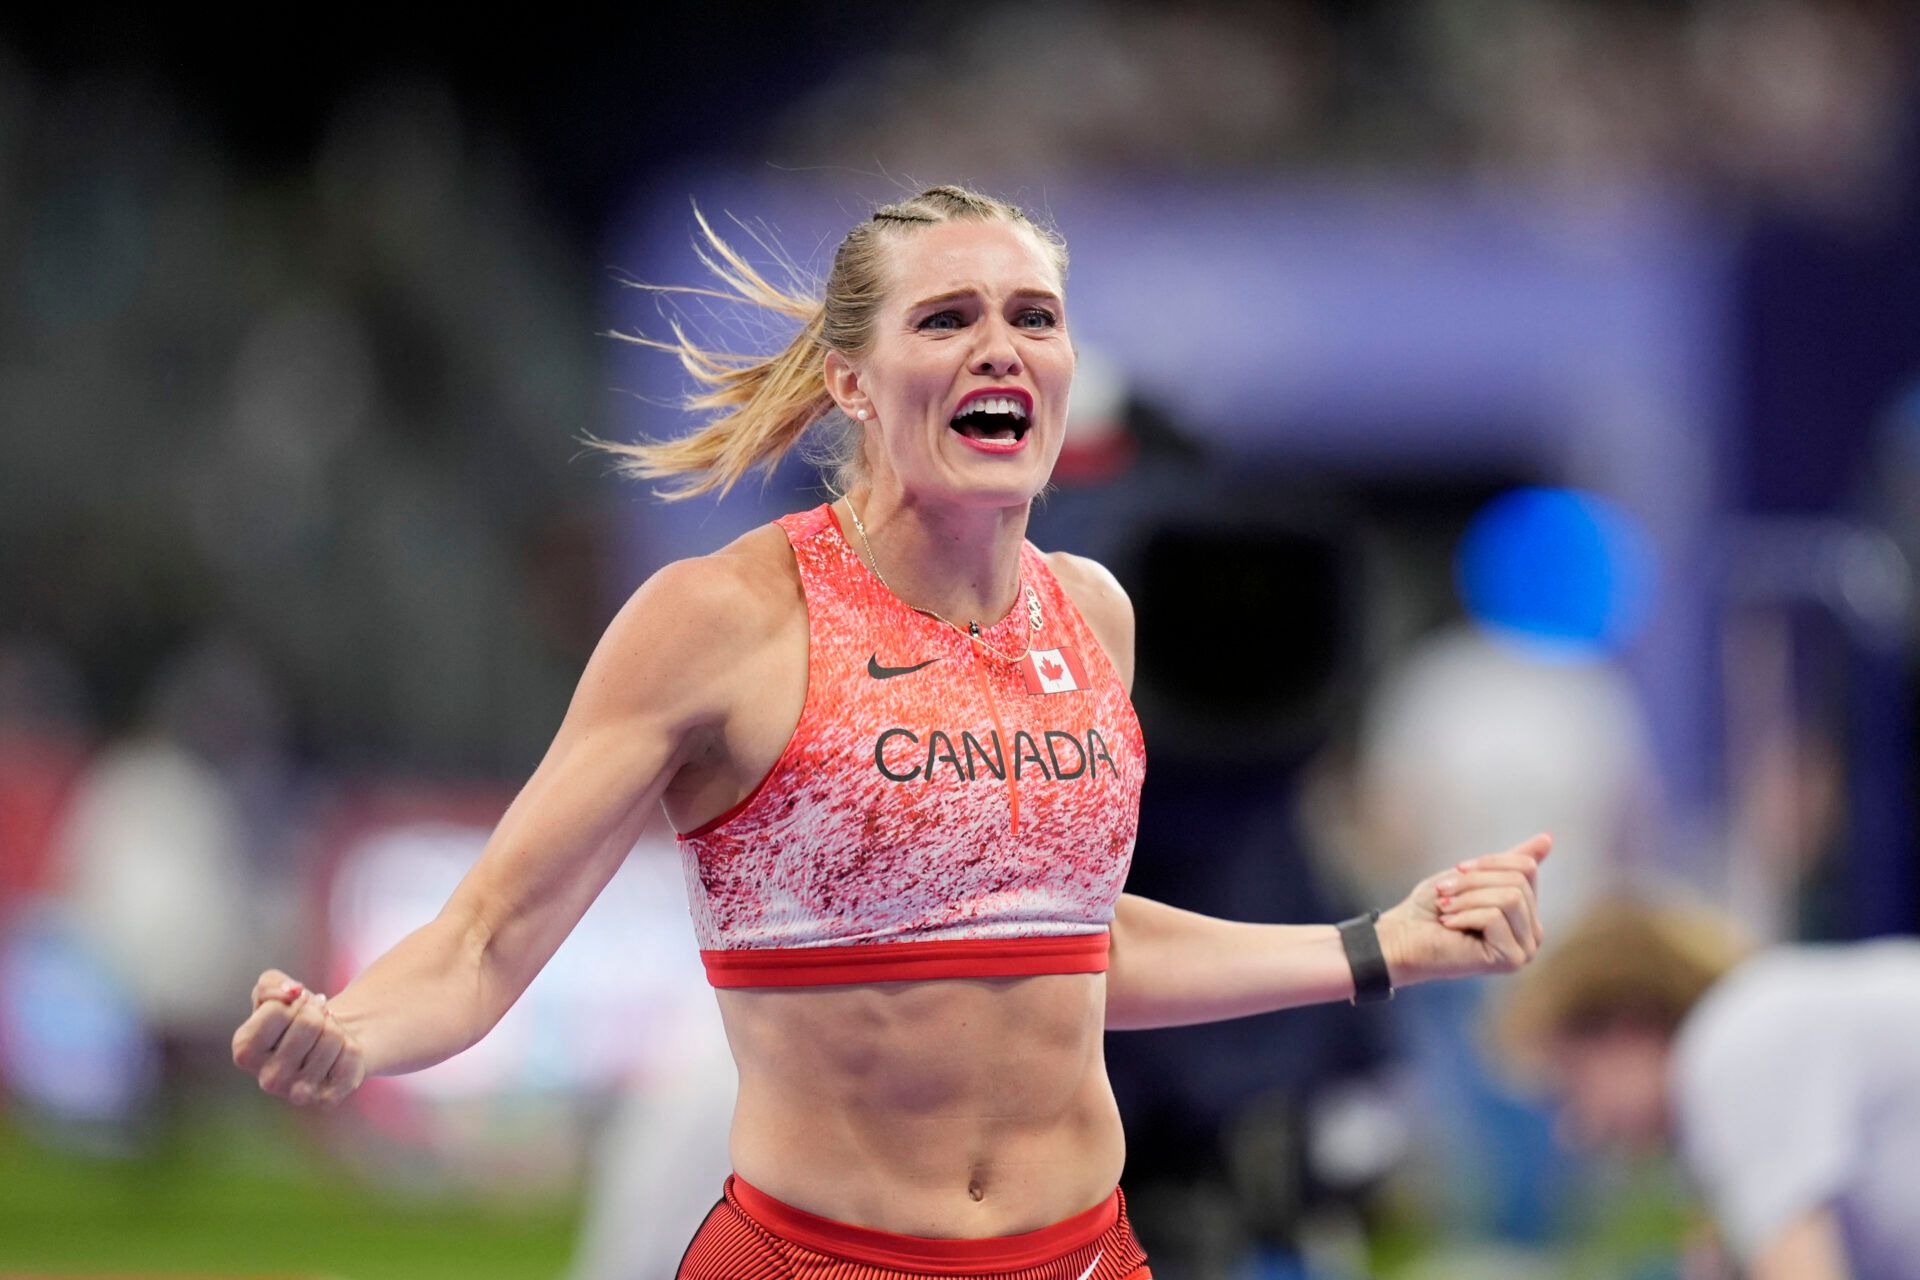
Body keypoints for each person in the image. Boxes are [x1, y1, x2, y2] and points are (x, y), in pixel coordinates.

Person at [231, 183, 1552, 1280]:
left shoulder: (1093, 617)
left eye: (1034, 316)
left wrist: (1380, 945)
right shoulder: (725, 619)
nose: (1001, 346)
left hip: (1084, 1253)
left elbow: (1072, 939)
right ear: (853, 383)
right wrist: (356, 1033)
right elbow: (488, 934)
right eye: (949, 318)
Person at [1492, 894, 1920, 1280]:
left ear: (1627, 1026)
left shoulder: (1733, 1049)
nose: (1578, 1130)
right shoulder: (1755, 1039)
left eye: (1570, 1085)